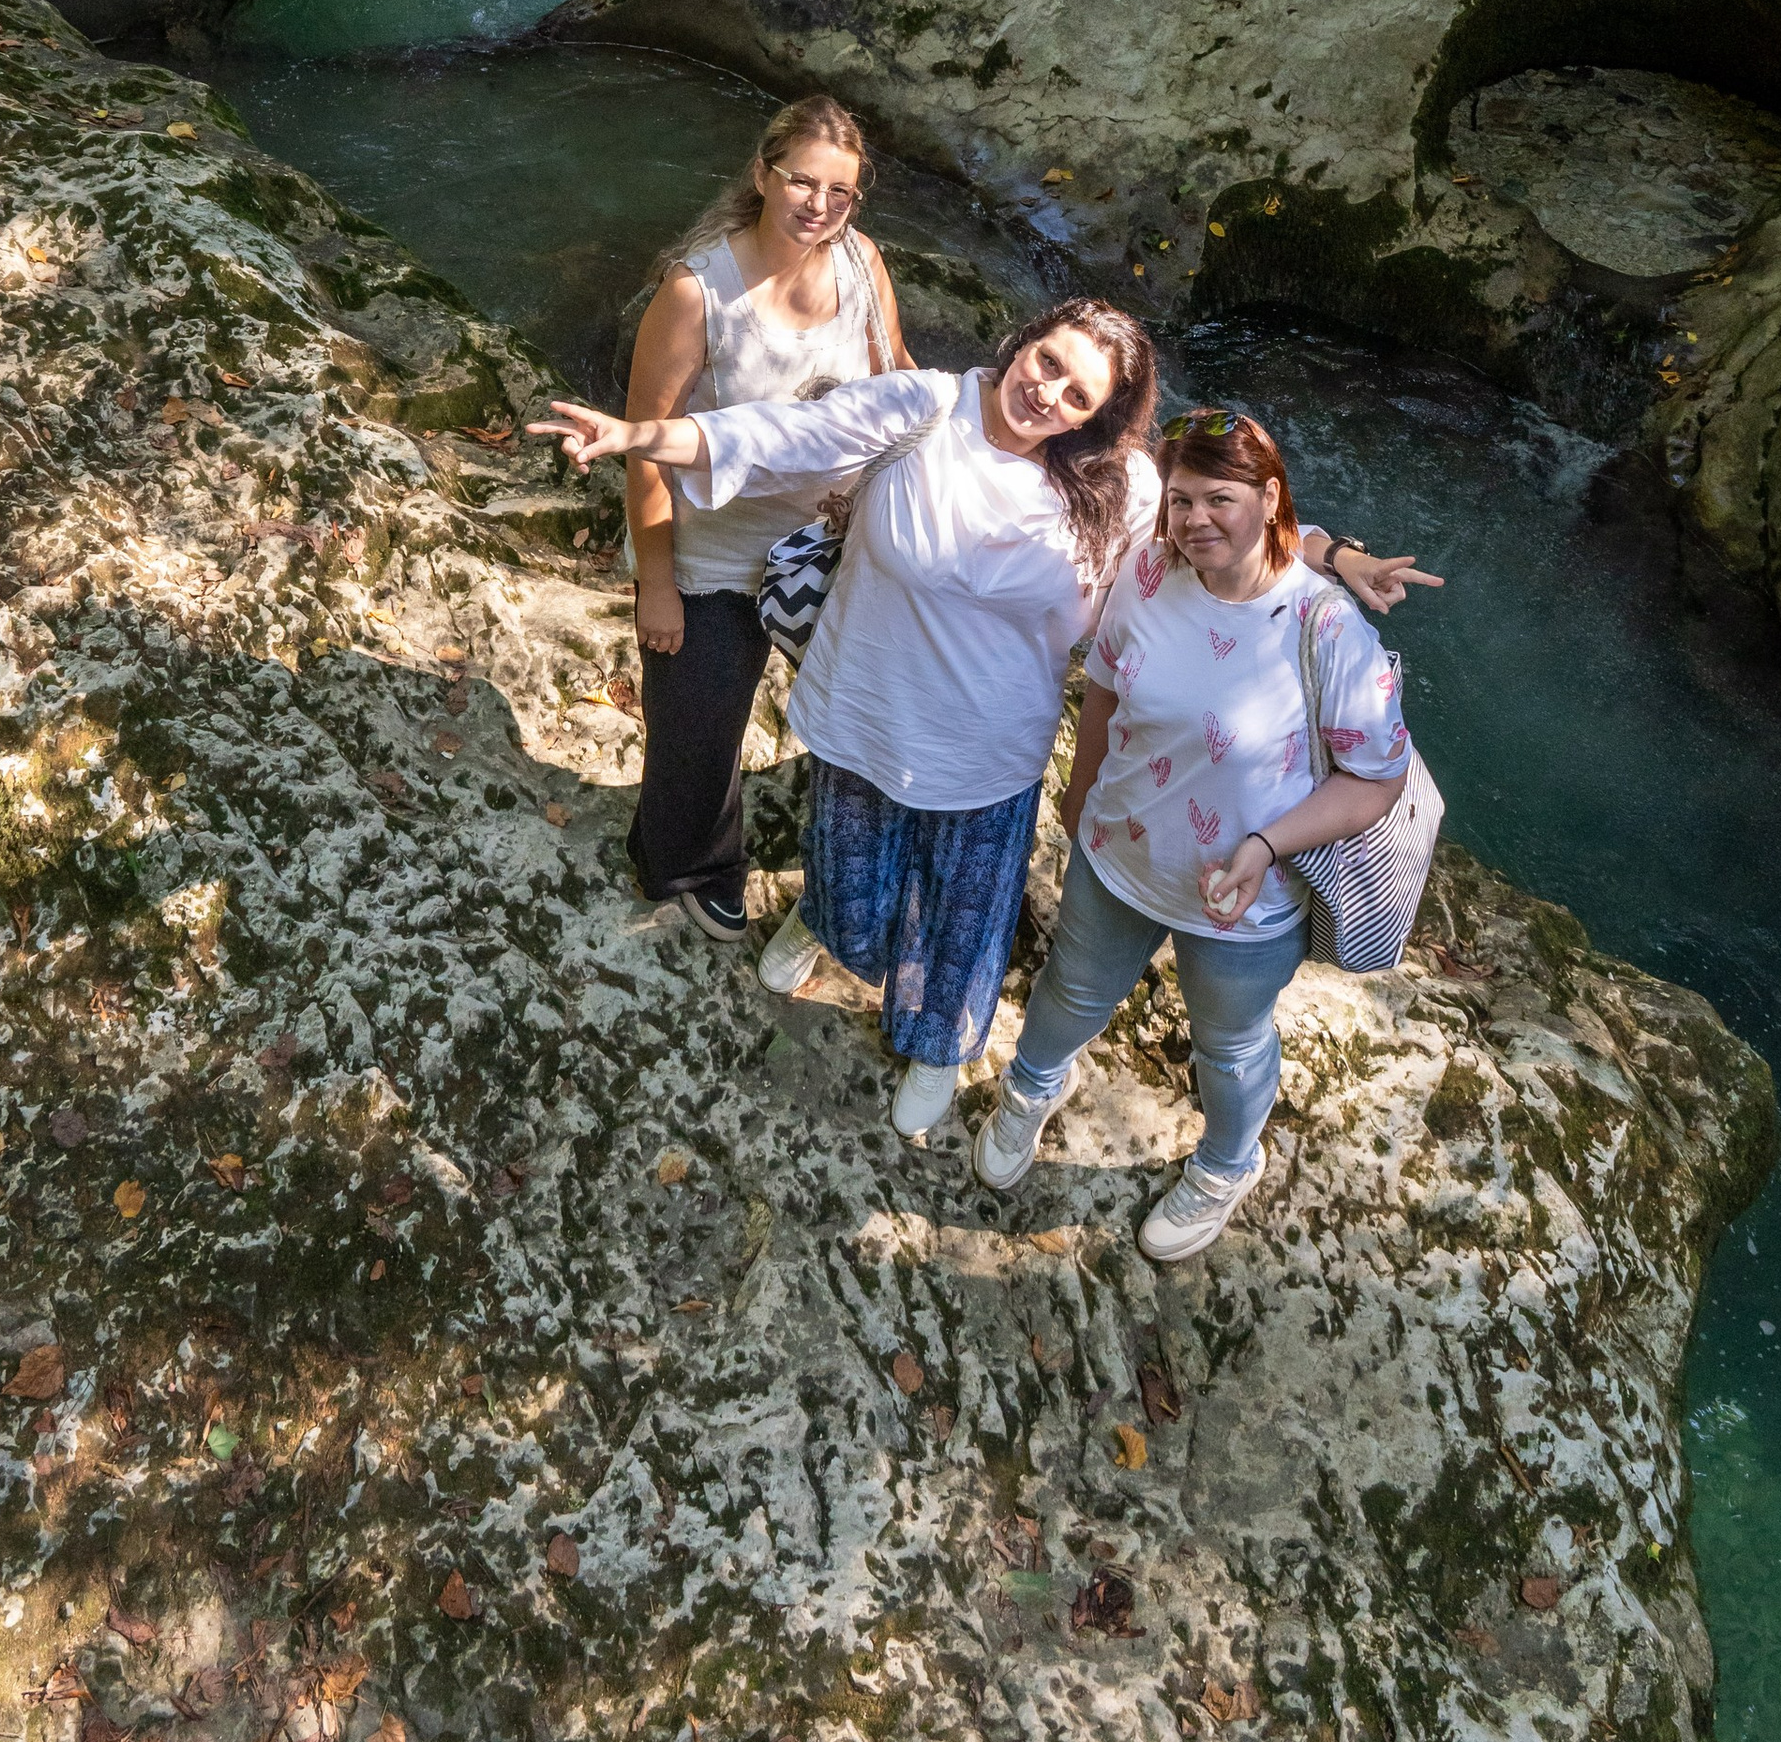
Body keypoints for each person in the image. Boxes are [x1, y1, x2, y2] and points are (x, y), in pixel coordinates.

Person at [533, 327, 1429, 1144]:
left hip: (989, 744)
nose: (1047, 394)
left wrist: (1341, 558)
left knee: (961, 915)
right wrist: (638, 435)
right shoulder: (925, 405)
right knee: (846, 861)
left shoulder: (1118, 482)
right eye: (1048, 362)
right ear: (1024, 343)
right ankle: (828, 925)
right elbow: (781, 436)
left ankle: (937, 1049)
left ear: (1100, 416)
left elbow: (1237, 521)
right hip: (868, 705)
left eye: (1078, 395)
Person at [974, 403, 1439, 1262]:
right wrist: (1079, 800)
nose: (1194, 519)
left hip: (1246, 893)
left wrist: (1265, 848)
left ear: (1269, 500)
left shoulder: (1328, 629)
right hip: (1123, 852)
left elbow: (1375, 780)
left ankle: (1227, 1164)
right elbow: (1106, 688)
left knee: (1228, 1042)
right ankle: (1032, 1086)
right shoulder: (1148, 574)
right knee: (1072, 986)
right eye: (1181, 499)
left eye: (1218, 498)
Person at [622, 94, 905, 949]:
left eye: (840, 192)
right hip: (718, 555)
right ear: (762, 175)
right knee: (700, 731)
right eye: (802, 182)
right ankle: (692, 862)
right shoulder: (695, 291)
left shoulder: (861, 265)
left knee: (868, 711)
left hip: (833, 542)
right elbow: (646, 444)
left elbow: (900, 385)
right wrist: (658, 585)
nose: (818, 205)